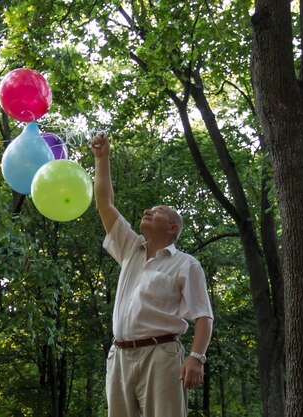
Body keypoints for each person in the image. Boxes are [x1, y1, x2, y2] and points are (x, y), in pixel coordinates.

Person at [91, 131, 214, 417]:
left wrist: (196, 358)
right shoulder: (130, 248)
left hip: (161, 354)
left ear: (172, 228)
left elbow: (204, 316)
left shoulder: (186, 264)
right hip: (119, 354)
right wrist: (102, 158)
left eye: (157, 211)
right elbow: (105, 203)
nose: (148, 211)